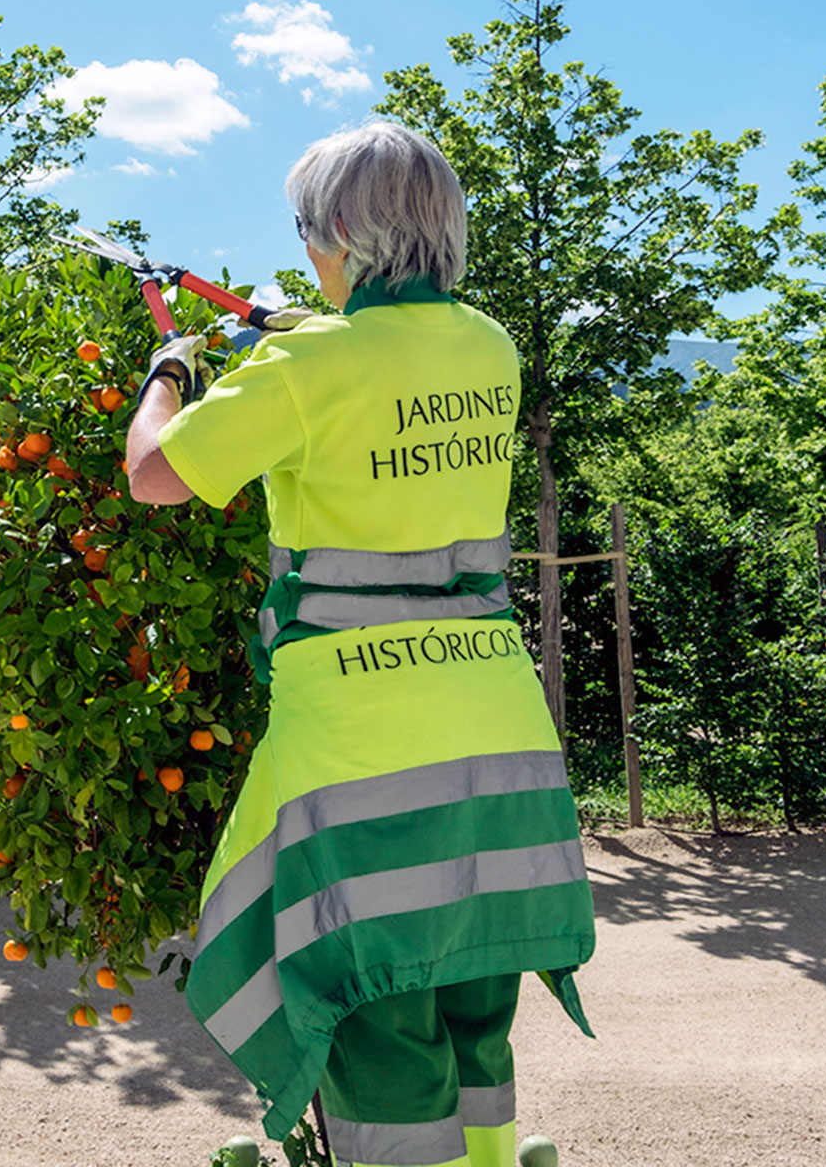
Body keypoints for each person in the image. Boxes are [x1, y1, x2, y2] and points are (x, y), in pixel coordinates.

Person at [126, 122, 595, 1167]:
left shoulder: (304, 365)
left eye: (304, 229)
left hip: (363, 733)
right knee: (471, 984)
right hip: (493, 722)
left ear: (339, 228)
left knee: (373, 994)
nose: (302, 253)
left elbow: (154, 474)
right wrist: (302, 341)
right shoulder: (489, 344)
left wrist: (168, 370)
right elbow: (391, 390)